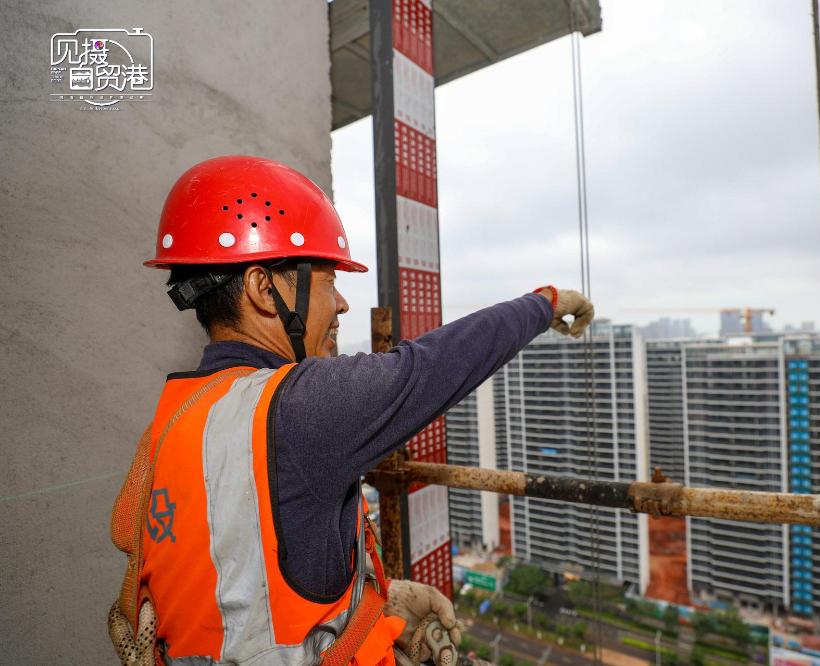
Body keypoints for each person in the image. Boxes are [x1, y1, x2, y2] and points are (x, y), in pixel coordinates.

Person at [108, 155, 595, 666]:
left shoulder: (178, 415)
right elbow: (435, 365)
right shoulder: (297, 408)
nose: (341, 304)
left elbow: (247, 580)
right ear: (262, 290)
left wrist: (372, 599)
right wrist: (545, 302)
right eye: (326, 282)